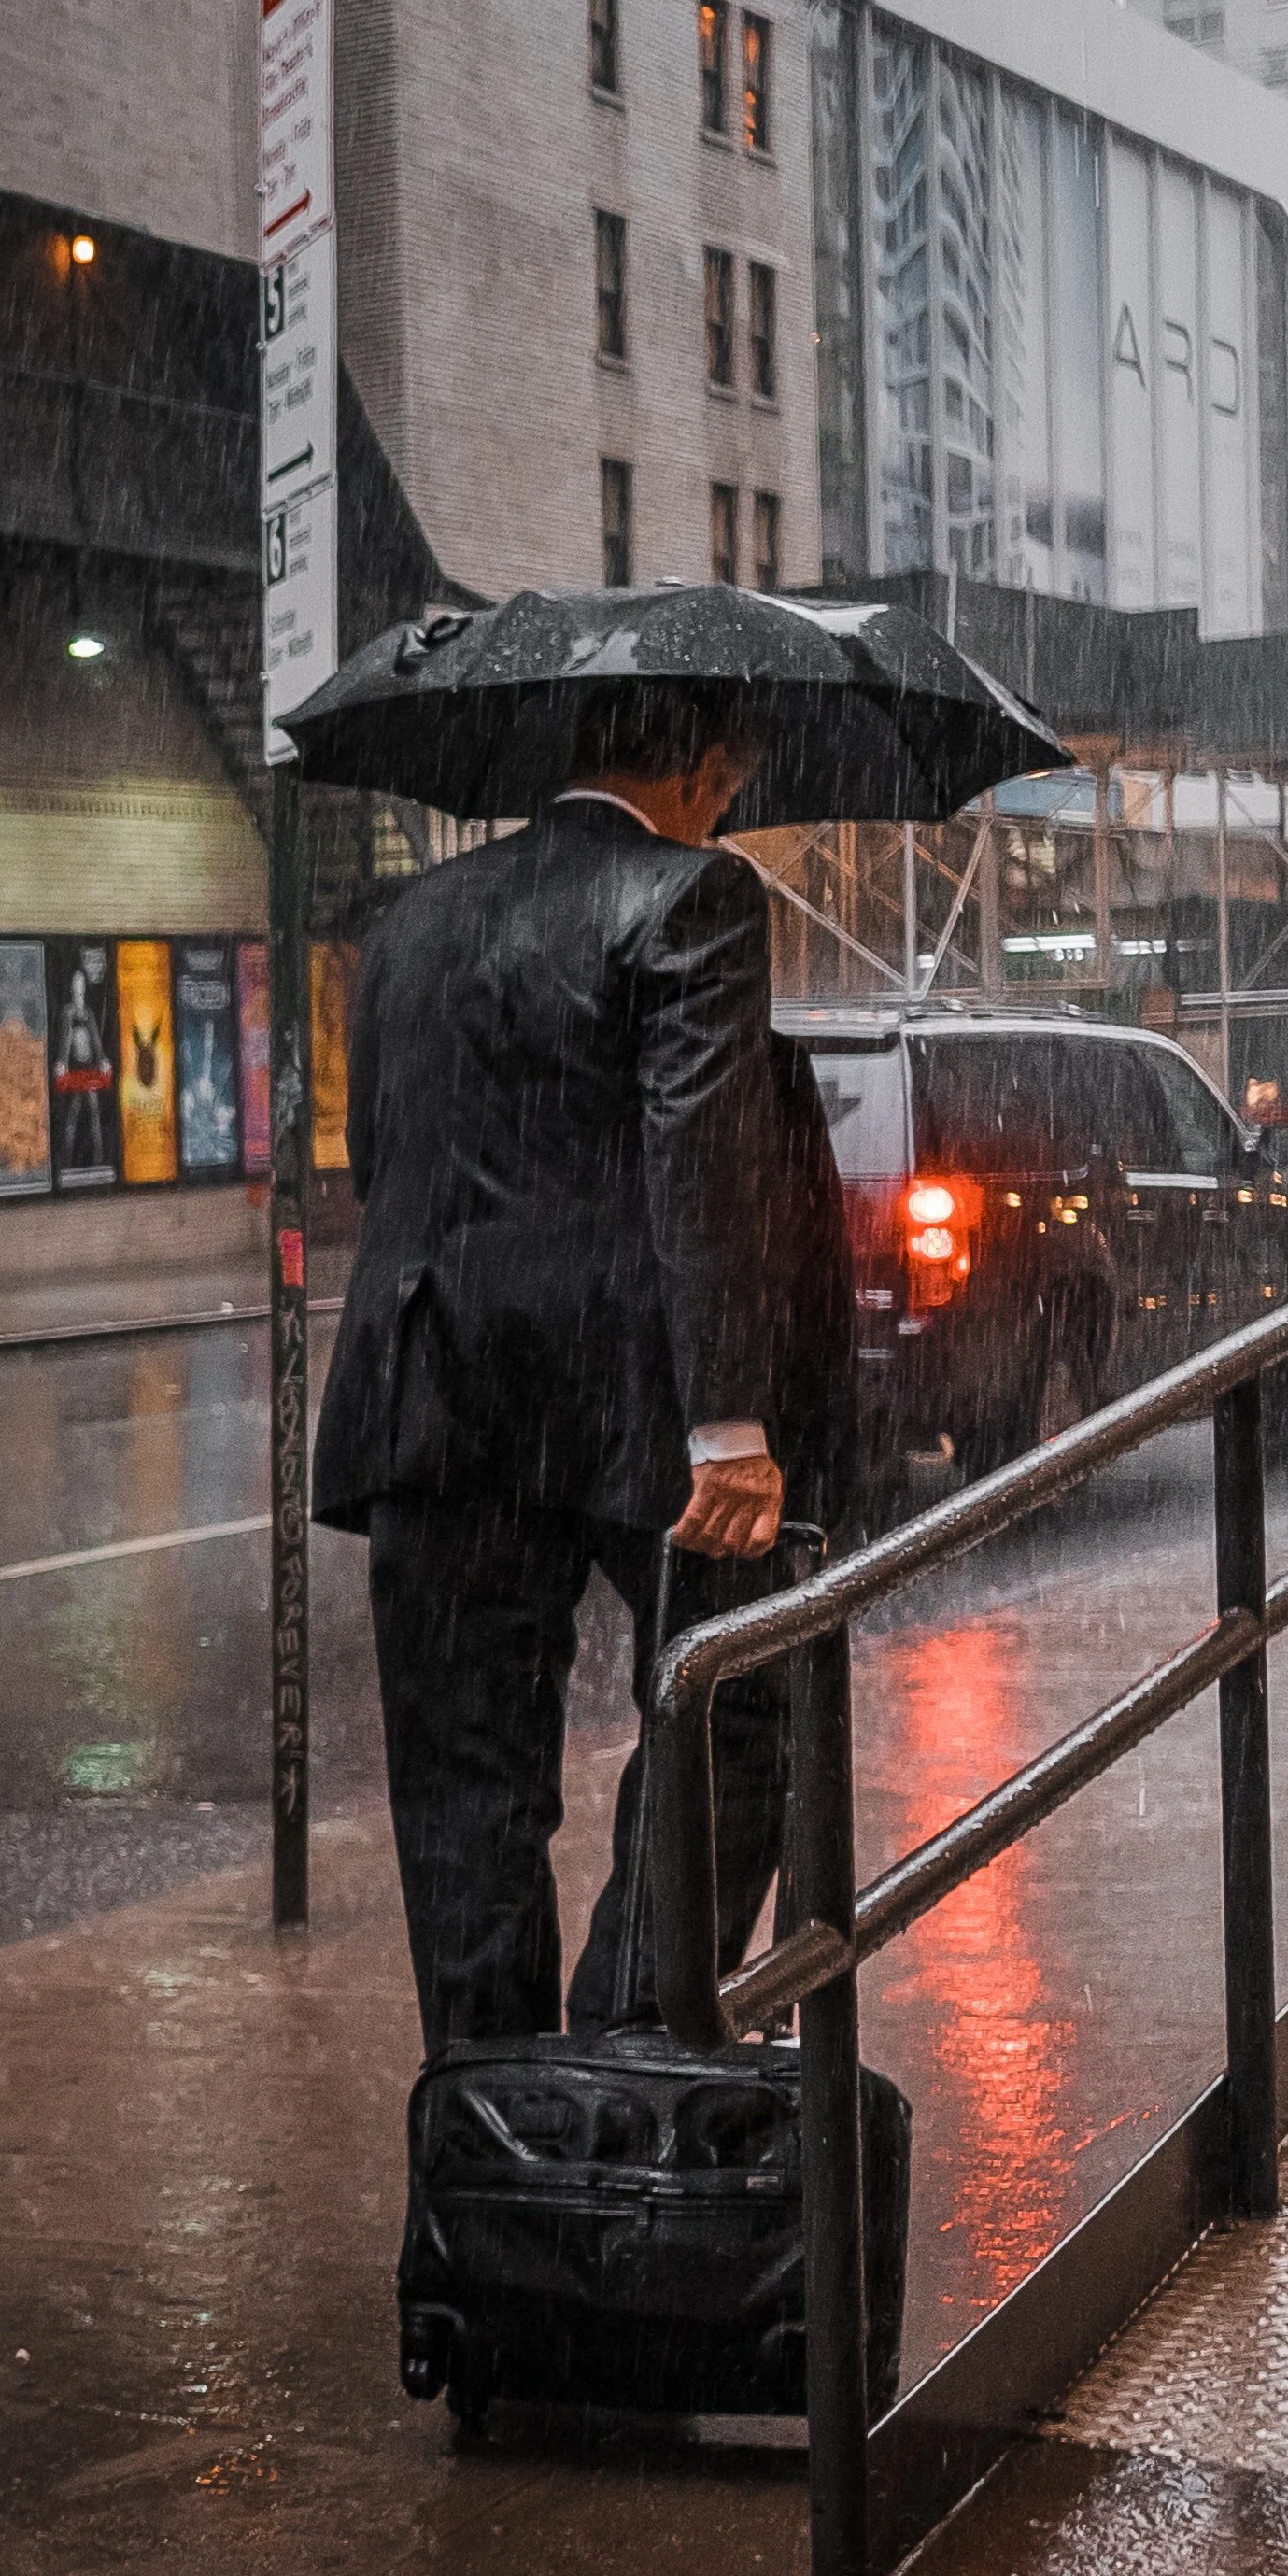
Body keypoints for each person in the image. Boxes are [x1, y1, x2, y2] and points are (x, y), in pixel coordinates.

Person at [310, 700, 855, 2056]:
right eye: (726, 785)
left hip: (429, 1394)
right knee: (743, 1702)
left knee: (464, 1789)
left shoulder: (416, 918)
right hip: (627, 1402)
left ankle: (489, 2128)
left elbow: (386, 1166)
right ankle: (623, 2053)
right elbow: (701, 1158)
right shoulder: (694, 897)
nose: (724, 812)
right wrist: (731, 1418)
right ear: (694, 767)